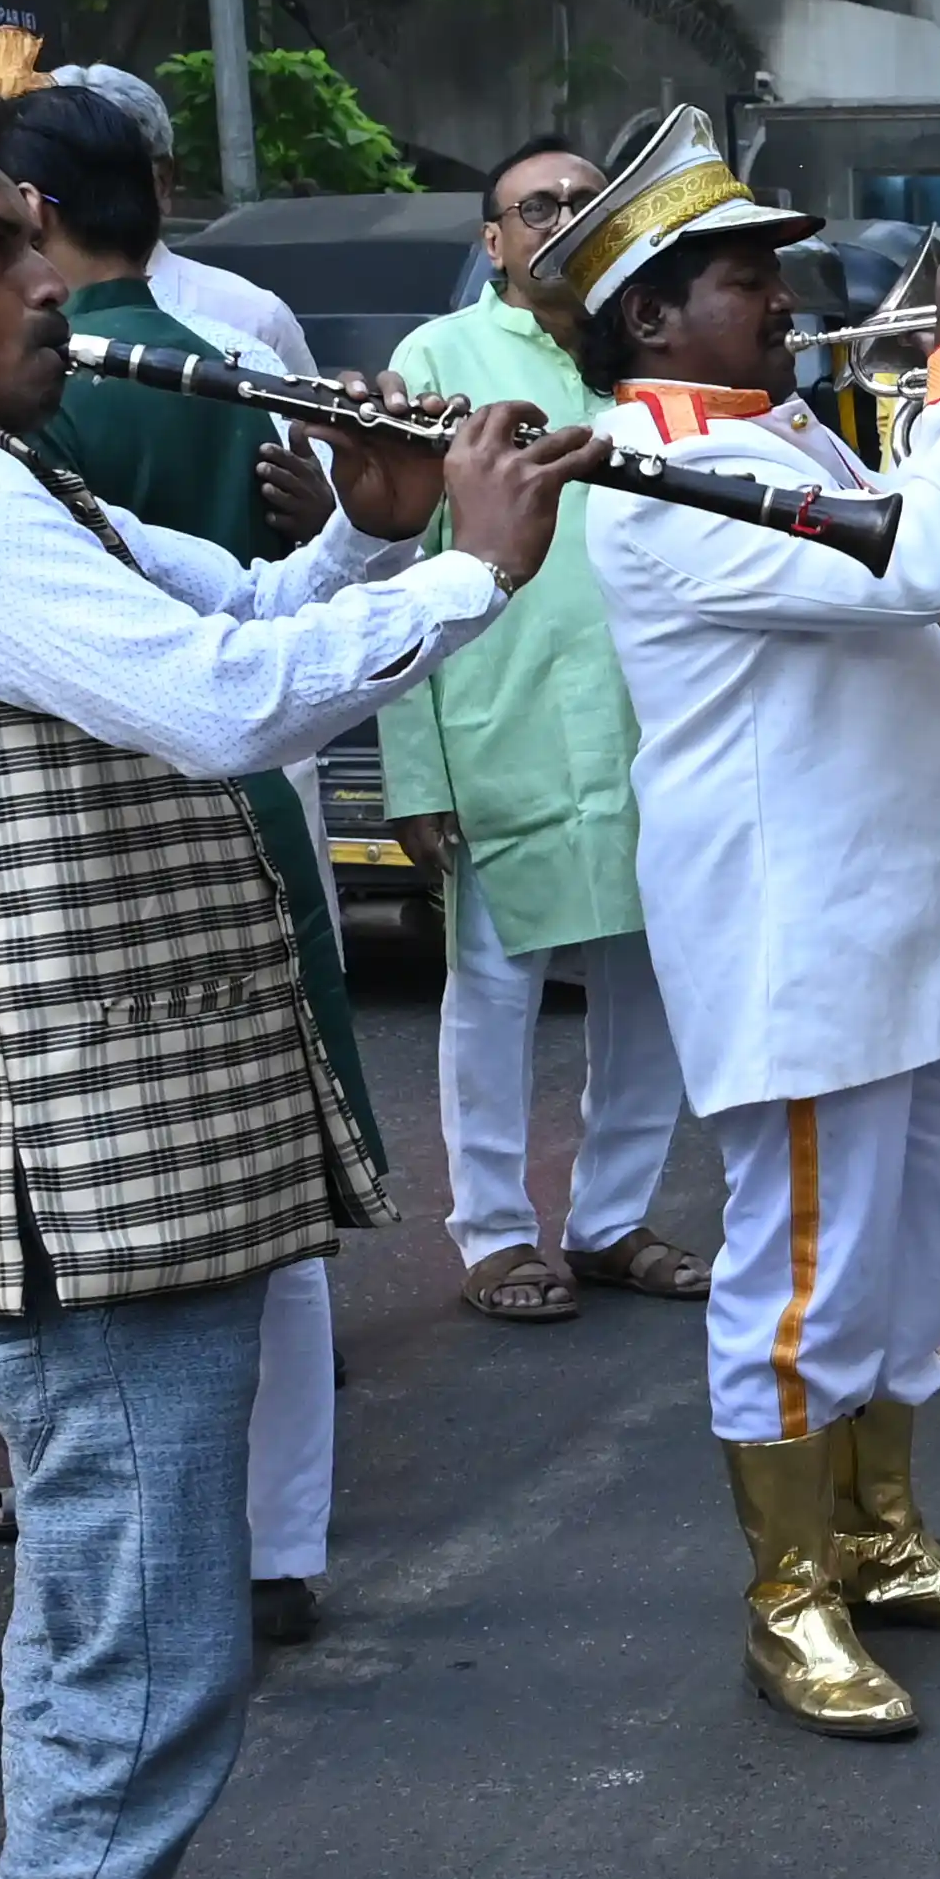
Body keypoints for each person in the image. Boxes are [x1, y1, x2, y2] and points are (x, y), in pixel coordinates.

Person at [0, 71, 586, 1879]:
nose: (50, 280)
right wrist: (466, 577)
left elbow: (222, 611)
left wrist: (369, 550)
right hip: (80, 1170)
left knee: (121, 1657)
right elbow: (215, 711)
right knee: (137, 1672)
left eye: (40, 238)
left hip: (123, 1160)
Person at [562, 108, 940, 1737]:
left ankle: (876, 1531)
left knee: (904, 1252)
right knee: (801, 1273)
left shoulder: (780, 435)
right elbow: (925, 564)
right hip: (801, 942)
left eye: (775, 269)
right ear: (649, 316)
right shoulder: (669, 469)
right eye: (740, 276)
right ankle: (789, 1595)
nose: (786, 294)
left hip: (899, 920)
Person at [0, 80, 394, 1648]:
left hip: (123, 826)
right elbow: (276, 593)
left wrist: (411, 549)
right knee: (277, 1191)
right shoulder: (228, 356)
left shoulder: (54, 404)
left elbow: (242, 615)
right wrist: (377, 545)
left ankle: (170, 1548)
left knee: (148, 1214)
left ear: (34, 221)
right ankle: (278, 1543)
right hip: (262, 797)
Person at [375, 133, 696, 1323]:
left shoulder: (649, 352)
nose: (561, 216)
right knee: (493, 996)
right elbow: (397, 562)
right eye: (534, 205)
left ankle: (613, 1218)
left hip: (653, 723)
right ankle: (496, 1234)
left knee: (651, 990)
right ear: (493, 241)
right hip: (500, 726)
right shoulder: (442, 356)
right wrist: (416, 765)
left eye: (581, 199)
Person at [49, 62, 316, 374]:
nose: (84, 193)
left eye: (109, 173)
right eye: (55, 171)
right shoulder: (8, 309)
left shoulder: (254, 316)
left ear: (162, 181)